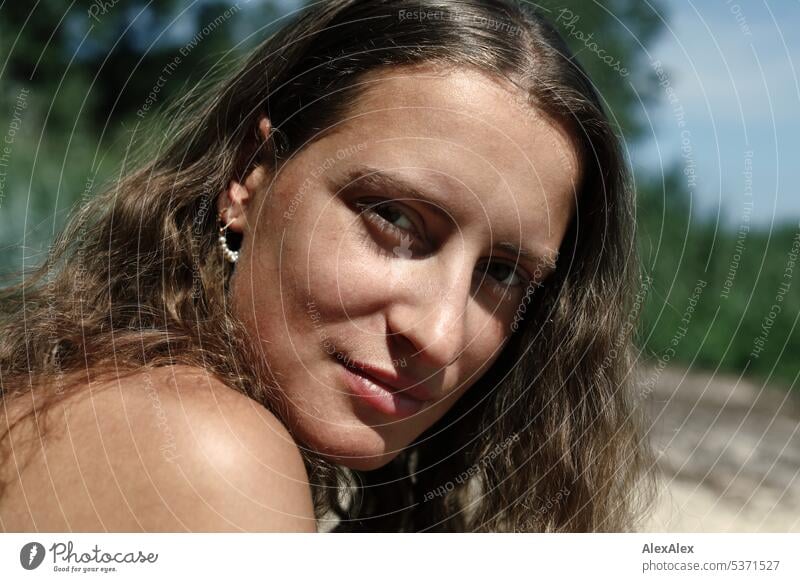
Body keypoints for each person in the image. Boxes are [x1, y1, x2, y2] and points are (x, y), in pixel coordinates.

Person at [0, 0, 655, 532]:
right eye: (393, 220)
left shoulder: (92, 391)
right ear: (246, 178)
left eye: (504, 273)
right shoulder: (211, 457)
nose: (440, 334)